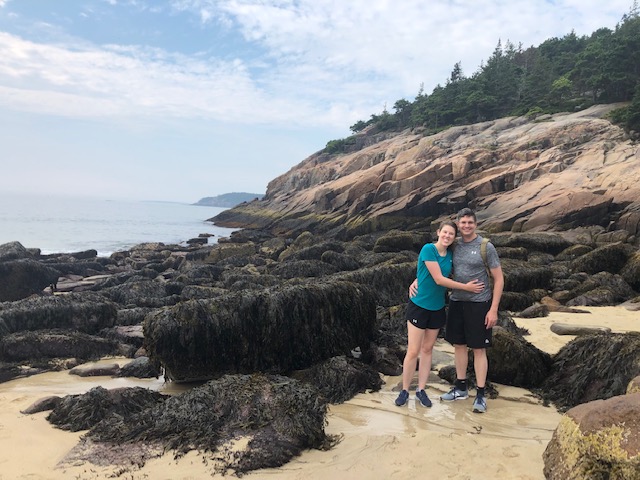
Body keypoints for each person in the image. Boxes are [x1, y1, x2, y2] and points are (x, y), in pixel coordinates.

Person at [395, 220, 484, 408]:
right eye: (444, 233)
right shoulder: (428, 249)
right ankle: (404, 390)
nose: (447, 236)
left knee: (427, 350)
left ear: (454, 237)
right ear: (438, 232)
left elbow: (447, 271)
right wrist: (466, 288)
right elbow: (438, 278)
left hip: (437, 308)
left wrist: (417, 278)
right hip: (419, 305)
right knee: (413, 350)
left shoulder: (451, 254)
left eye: (451, 234)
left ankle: (421, 390)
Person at [440, 207, 504, 413]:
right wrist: (416, 280)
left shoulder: (486, 247)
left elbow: (499, 278)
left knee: (478, 349)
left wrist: (493, 310)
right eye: (463, 222)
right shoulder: (454, 245)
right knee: (459, 346)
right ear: (458, 224)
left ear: (475, 224)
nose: (466, 226)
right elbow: (436, 265)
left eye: (470, 222)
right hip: (457, 302)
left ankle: (480, 394)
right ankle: (460, 388)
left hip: (480, 304)